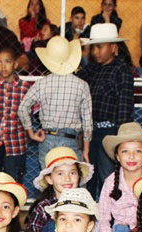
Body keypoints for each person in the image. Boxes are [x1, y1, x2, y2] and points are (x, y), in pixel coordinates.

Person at [18, 36, 92, 168]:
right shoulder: (82, 85)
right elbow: (87, 122)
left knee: (48, 182)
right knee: (73, 182)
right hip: (71, 139)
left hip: (47, 139)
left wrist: (31, 133)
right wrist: (86, 150)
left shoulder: (41, 83)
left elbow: (23, 108)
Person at [77, 23, 133, 196]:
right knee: (89, 176)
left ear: (114, 47)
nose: (95, 52)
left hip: (110, 132)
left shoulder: (122, 70)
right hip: (91, 132)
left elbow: (125, 106)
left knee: (107, 177)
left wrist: (120, 139)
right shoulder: (90, 70)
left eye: (99, 47)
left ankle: (110, 216)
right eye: (93, 47)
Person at [26, 147, 92, 232]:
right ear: (49, 179)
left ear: (78, 176)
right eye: (60, 173)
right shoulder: (43, 208)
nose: (67, 178)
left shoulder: (86, 204)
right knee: (54, 223)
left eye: (72, 173)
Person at [0, 47, 32, 179]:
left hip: (16, 141)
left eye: (7, 62)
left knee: (14, 180)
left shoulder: (25, 88)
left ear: (15, 64)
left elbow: (28, 114)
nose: (3, 66)